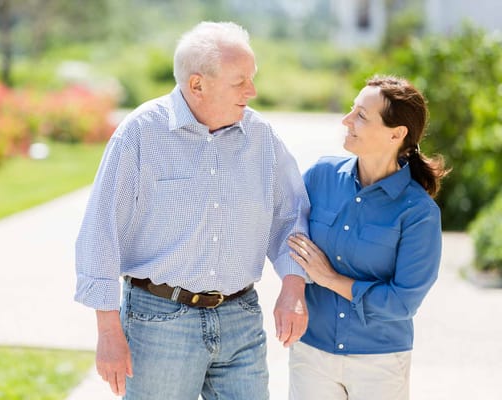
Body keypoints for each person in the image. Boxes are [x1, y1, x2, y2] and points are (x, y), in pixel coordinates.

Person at [74, 21, 311, 399]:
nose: (252, 91)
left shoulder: (261, 137)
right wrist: (107, 332)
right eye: (240, 82)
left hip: (241, 318)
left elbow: (290, 217)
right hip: (159, 324)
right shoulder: (140, 133)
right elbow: (100, 233)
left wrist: (293, 285)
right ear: (197, 84)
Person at [287, 75, 449, 400]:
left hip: (380, 362)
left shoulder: (418, 212)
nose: (347, 121)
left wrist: (330, 279)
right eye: (352, 110)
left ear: (397, 133)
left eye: (361, 115)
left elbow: (403, 302)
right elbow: (287, 236)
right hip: (312, 352)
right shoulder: (320, 177)